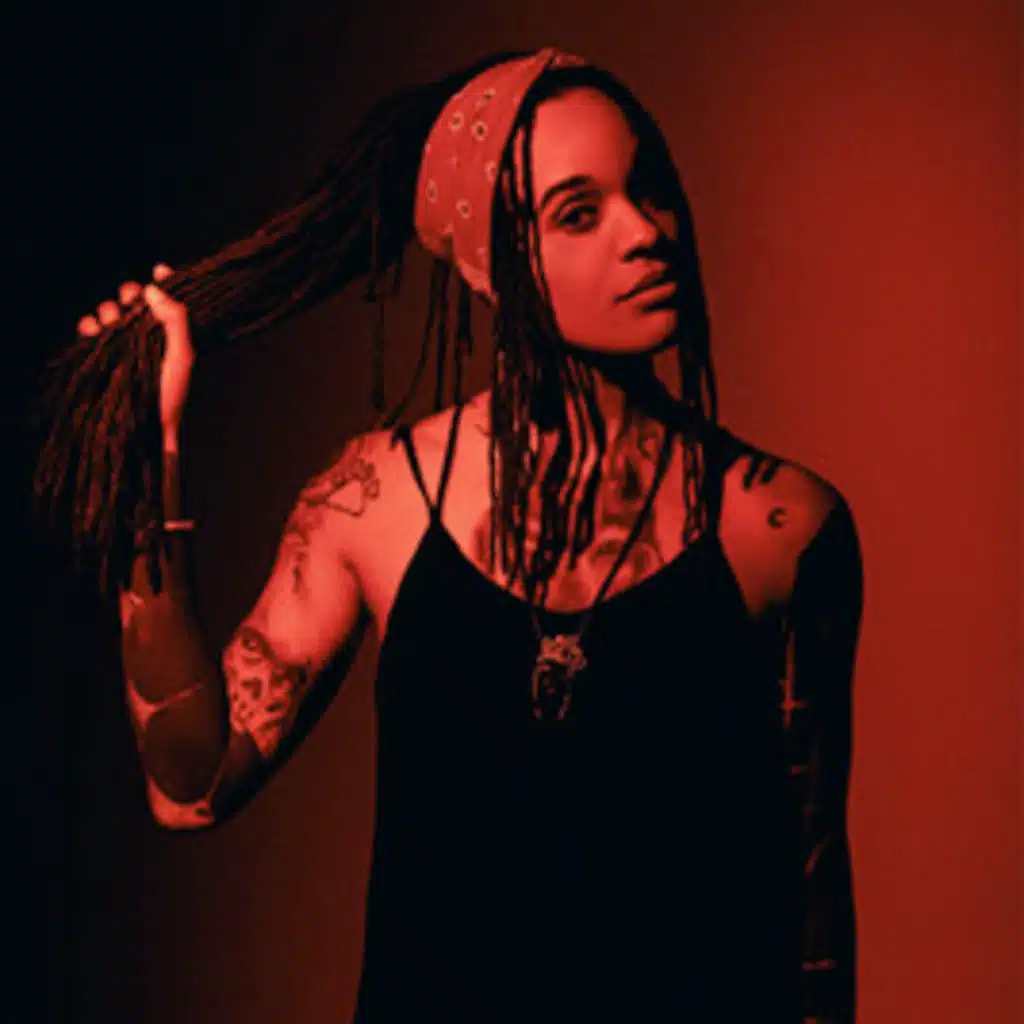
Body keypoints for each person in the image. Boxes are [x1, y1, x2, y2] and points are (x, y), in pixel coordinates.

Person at [61, 47, 863, 1023]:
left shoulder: (779, 526)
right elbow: (189, 787)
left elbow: (811, 897)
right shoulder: (373, 503)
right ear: (488, 264)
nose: (647, 233)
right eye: (579, 213)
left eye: (649, 188)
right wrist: (145, 461)